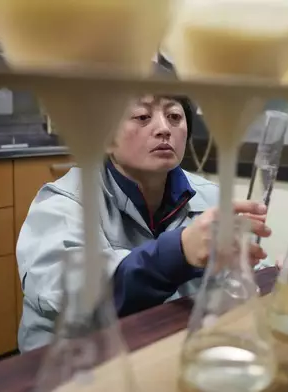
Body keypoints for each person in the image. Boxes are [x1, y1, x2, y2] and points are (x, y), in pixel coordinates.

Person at [16, 94, 272, 352]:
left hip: (168, 346)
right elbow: (78, 295)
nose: (163, 129)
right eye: (142, 117)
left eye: (174, 117)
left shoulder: (211, 198)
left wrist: (276, 273)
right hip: (75, 365)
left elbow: (243, 275)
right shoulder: (63, 204)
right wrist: (178, 252)